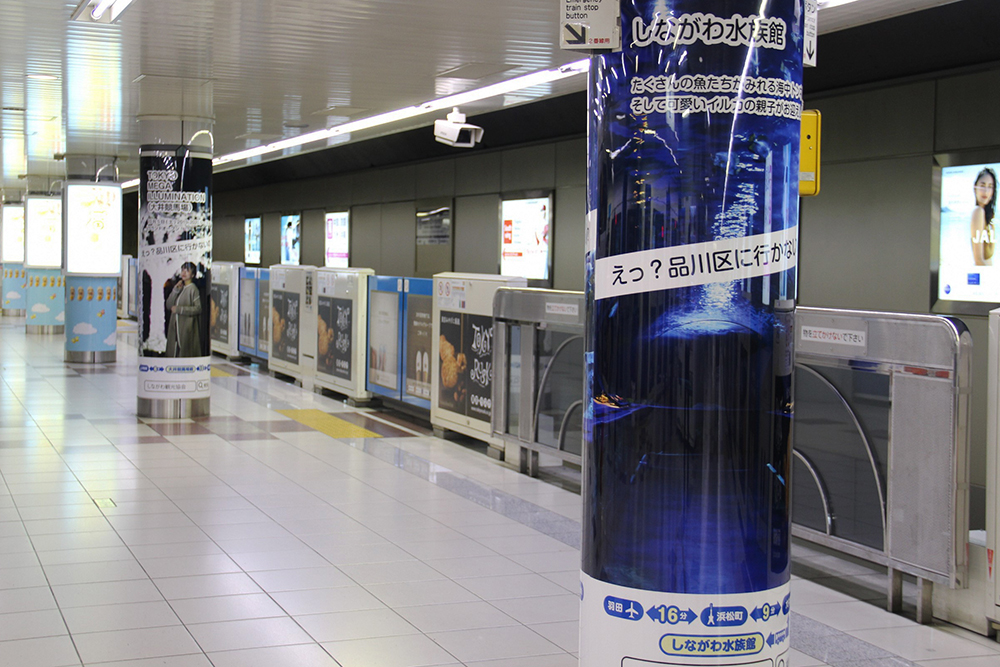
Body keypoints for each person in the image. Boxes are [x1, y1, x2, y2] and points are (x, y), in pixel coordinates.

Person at [166, 262, 202, 357]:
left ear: (193, 274)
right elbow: (169, 305)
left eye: (187, 271)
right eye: (182, 270)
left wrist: (180, 310)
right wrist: (175, 290)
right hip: (175, 329)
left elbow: (198, 309)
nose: (184, 273)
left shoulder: (193, 289)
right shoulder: (180, 287)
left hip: (186, 329)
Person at [971, 167, 997, 266]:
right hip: (984, 276)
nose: (986, 191)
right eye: (982, 185)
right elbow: (978, 260)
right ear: (975, 188)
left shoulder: (989, 215)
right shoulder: (978, 212)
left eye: (990, 186)